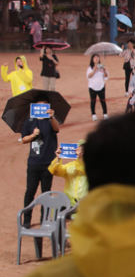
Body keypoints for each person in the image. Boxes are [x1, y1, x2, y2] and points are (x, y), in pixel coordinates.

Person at [20, 95, 59, 228]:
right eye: (39, 105)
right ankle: (27, 219)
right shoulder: (30, 121)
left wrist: (52, 117)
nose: (42, 107)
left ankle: (44, 219)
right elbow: (23, 139)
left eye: (45, 105)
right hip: (34, 163)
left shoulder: (50, 120)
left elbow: (57, 129)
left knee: (46, 192)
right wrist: (33, 135)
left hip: (48, 163)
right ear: (35, 106)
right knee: (30, 191)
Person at [48, 140, 88, 206]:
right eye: (80, 149)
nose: (81, 152)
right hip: (69, 204)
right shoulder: (71, 166)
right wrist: (58, 158)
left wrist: (80, 159)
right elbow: (55, 171)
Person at [87, 54, 109, 121]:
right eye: (95, 58)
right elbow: (89, 76)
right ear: (92, 59)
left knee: (103, 101)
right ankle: (93, 115)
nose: (96, 59)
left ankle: (105, 114)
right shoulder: (90, 67)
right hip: (92, 87)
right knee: (93, 101)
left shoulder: (102, 66)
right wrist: (94, 70)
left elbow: (106, 76)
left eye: (97, 58)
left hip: (101, 86)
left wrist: (105, 70)